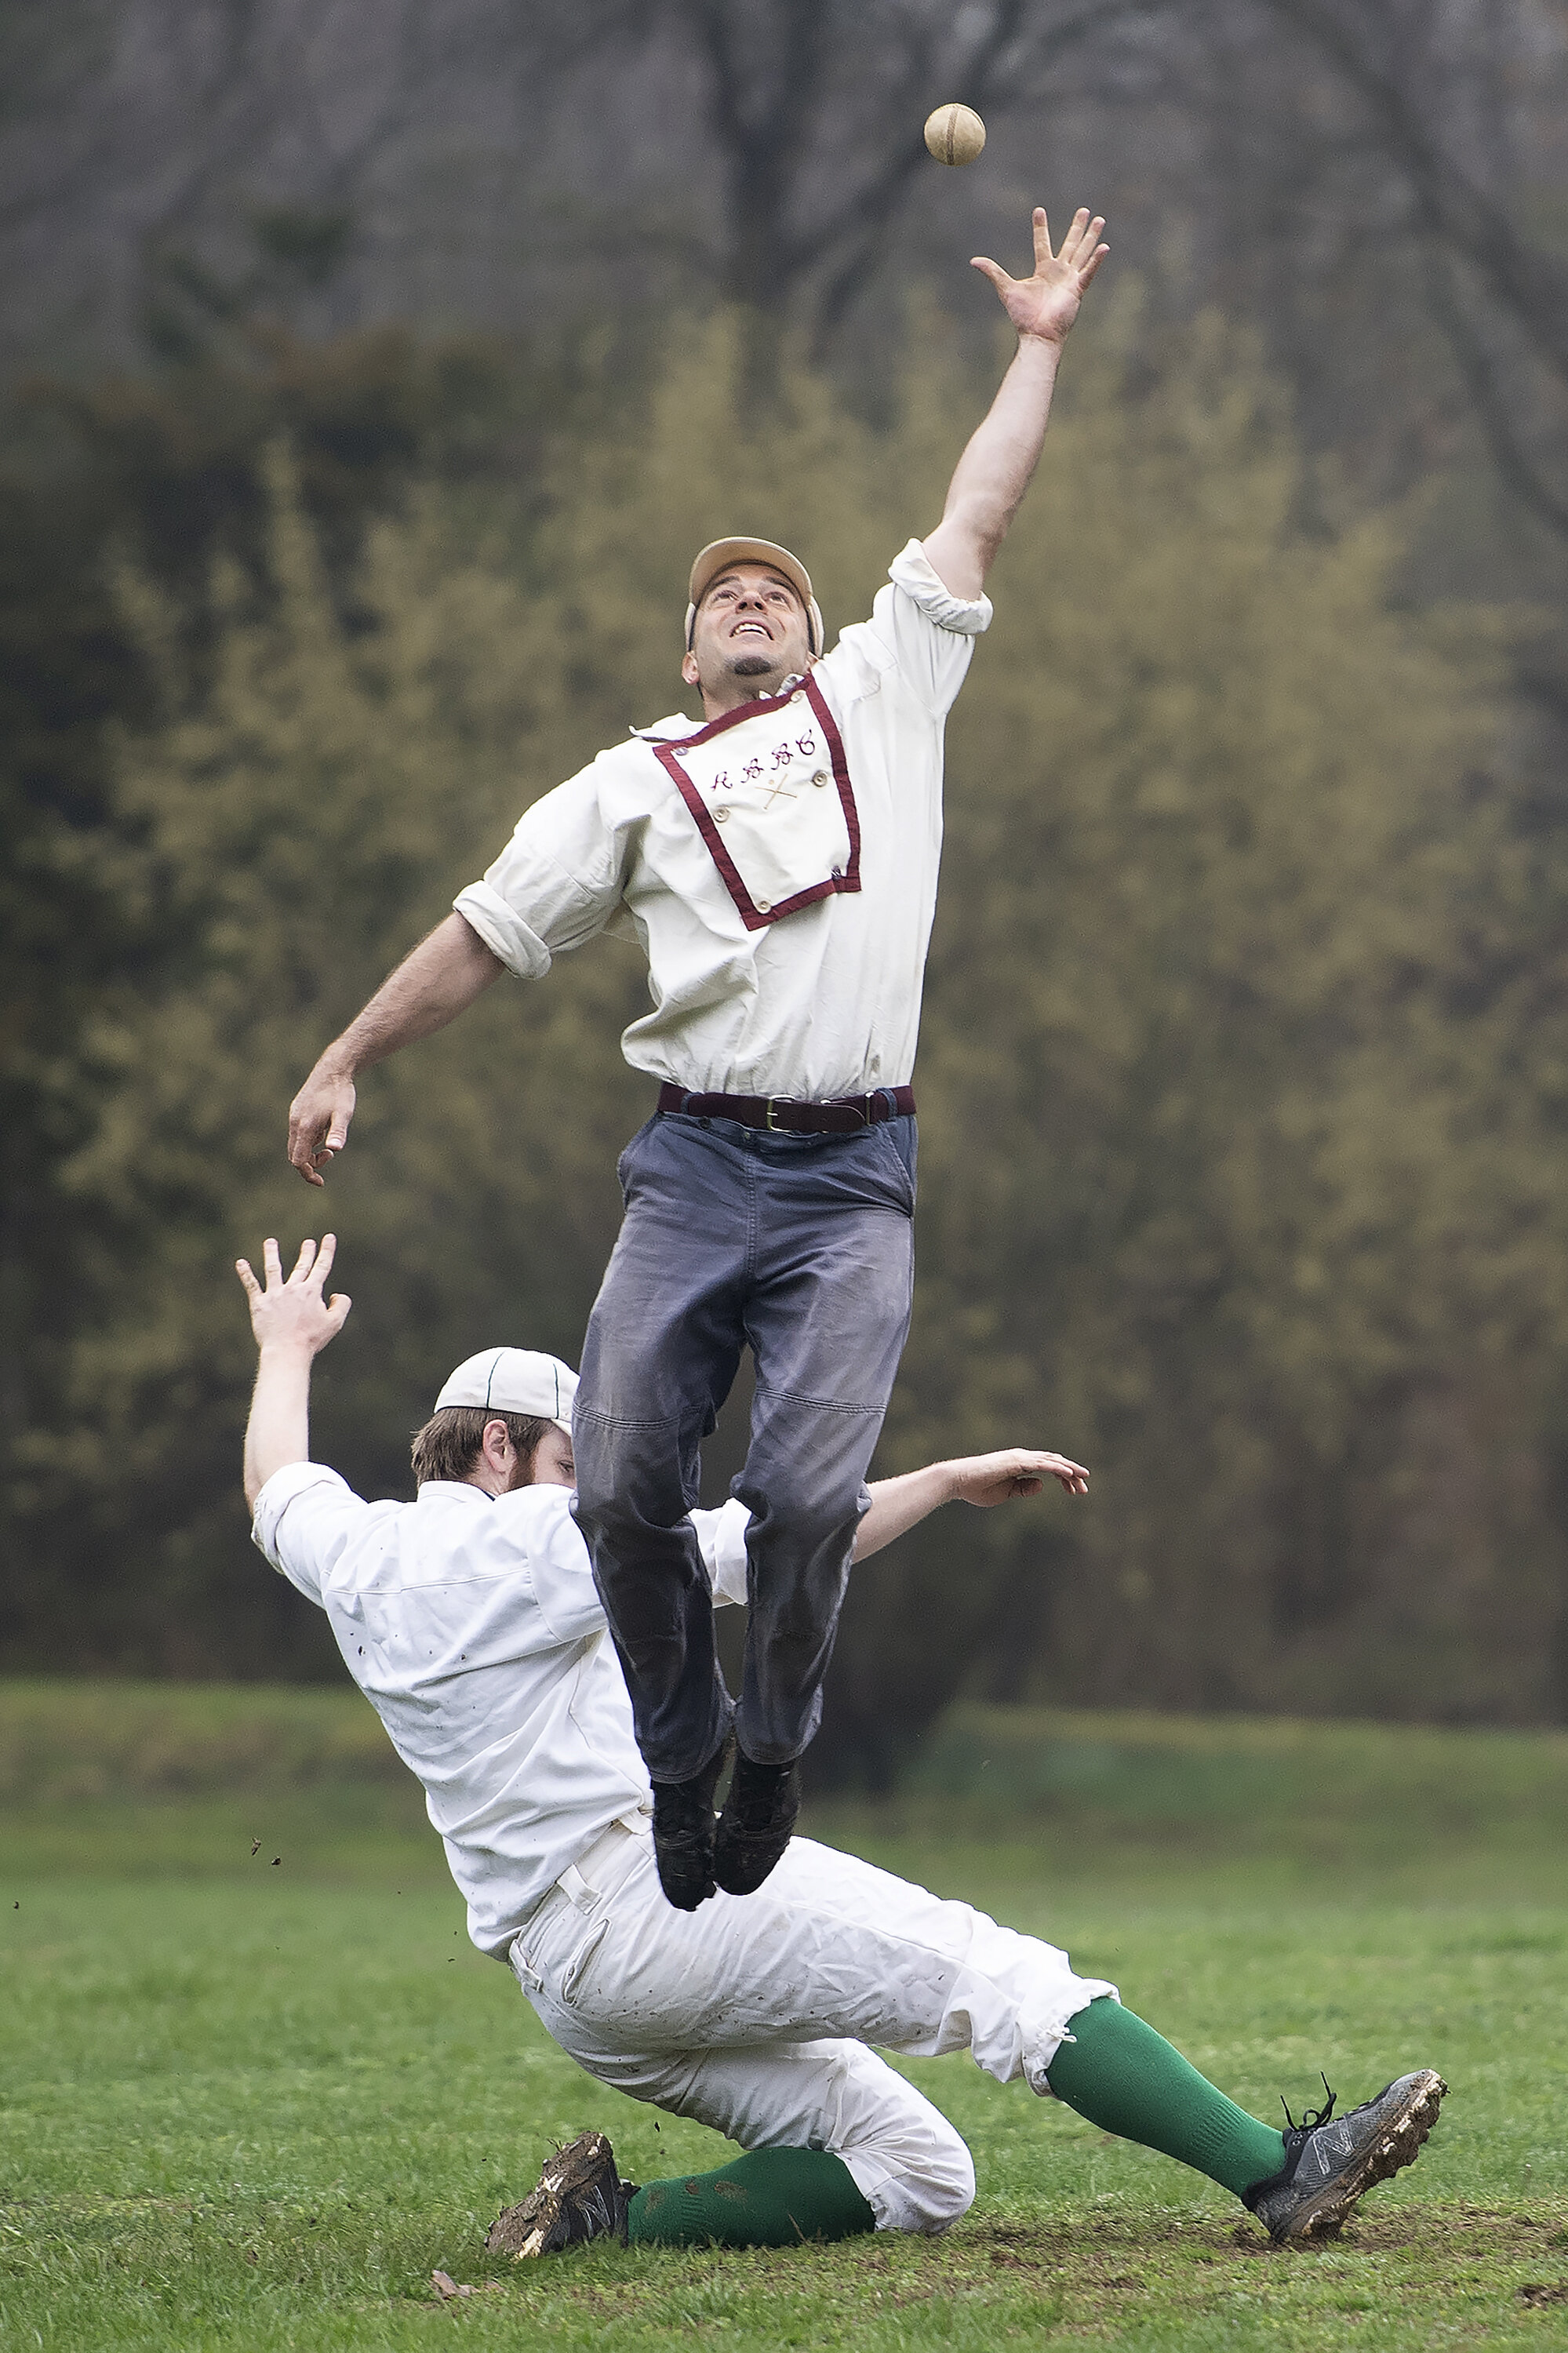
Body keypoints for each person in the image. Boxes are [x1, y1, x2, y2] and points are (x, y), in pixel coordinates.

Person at [283, 205, 1112, 1911]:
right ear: (688, 649)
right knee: (627, 1495)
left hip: (850, 1175)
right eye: (723, 595)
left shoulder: (887, 696)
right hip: (694, 1166)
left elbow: (980, 508)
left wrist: (1035, 344)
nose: (754, 601)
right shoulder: (628, 786)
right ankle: (679, 1759)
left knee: (803, 1497)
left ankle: (773, 1742)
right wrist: (350, 1051)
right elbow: (483, 935)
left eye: (777, 593)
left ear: (812, 639)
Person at [235, 1233, 1446, 2260]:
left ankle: (608, 2220)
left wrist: (284, 1351)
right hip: (639, 1911)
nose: (587, 1481)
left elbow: (275, 1483)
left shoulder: (358, 1556)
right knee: (990, 1973)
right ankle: (1278, 2172)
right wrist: (937, 1480)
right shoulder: (538, 1535)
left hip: (568, 1988)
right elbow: (763, 1548)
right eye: (567, 1457)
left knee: (920, 2171)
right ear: (496, 1447)